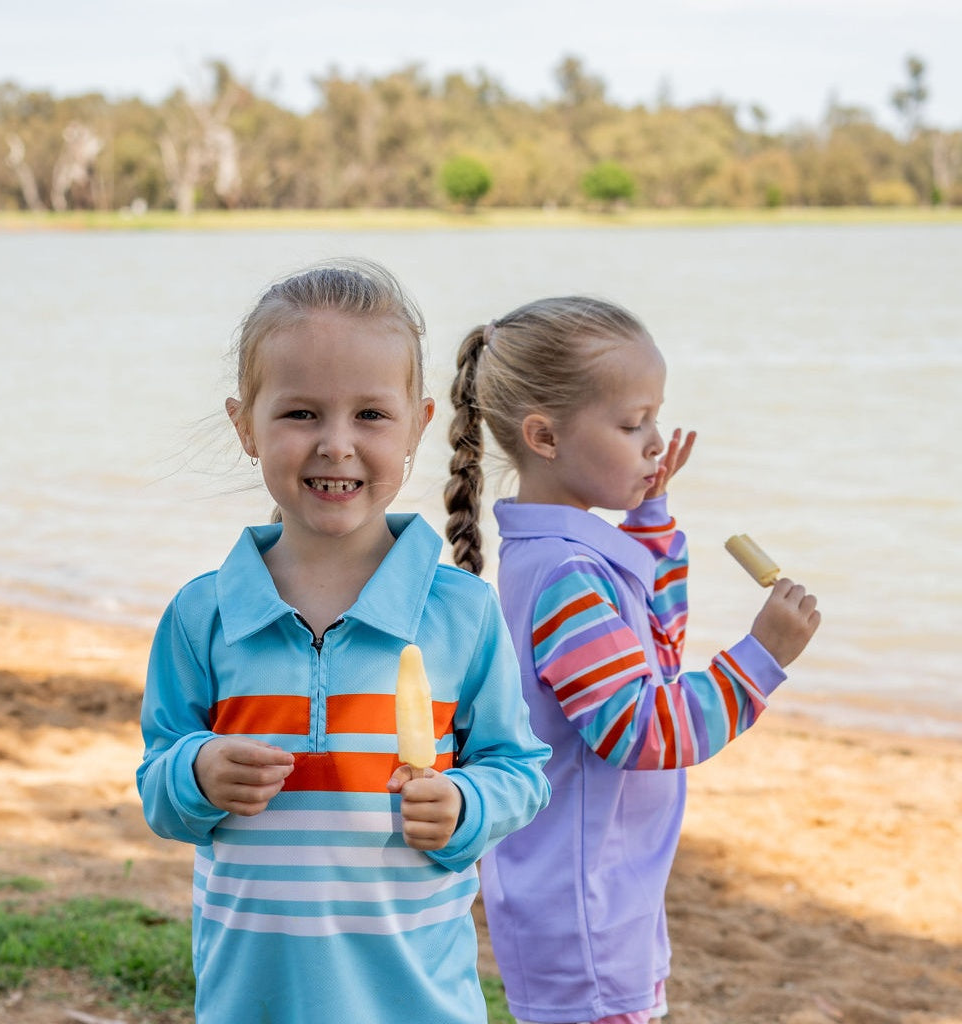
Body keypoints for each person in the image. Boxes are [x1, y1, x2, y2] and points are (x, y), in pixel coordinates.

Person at [137, 259, 551, 1024]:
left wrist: (463, 805)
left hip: (417, 1004)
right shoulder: (204, 616)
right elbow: (159, 789)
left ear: (420, 425)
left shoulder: (462, 613)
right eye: (300, 414)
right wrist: (197, 770)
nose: (336, 444)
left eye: (370, 414)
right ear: (245, 426)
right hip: (250, 1004)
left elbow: (521, 772)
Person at [444, 296, 821, 1024]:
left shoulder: (569, 556)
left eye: (655, 416)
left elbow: (658, 646)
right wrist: (760, 659)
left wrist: (651, 514)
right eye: (630, 423)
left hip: (607, 889)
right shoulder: (565, 577)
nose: (654, 441)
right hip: (582, 905)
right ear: (544, 436)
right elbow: (643, 728)